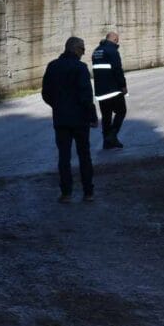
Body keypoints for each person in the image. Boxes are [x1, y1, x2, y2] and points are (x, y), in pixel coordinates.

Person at [42, 36, 98, 203]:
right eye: (82, 49)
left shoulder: (53, 66)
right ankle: (88, 192)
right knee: (84, 155)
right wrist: (92, 115)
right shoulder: (80, 68)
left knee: (64, 157)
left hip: (61, 118)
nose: (84, 52)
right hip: (80, 118)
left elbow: (46, 93)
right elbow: (86, 94)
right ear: (74, 49)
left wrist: (57, 106)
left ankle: (66, 193)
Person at [91, 31, 127, 149]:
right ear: (115, 40)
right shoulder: (112, 51)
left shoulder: (96, 51)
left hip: (101, 92)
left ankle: (106, 143)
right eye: (117, 41)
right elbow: (117, 69)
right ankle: (112, 135)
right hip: (113, 90)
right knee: (121, 111)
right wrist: (123, 86)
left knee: (106, 117)